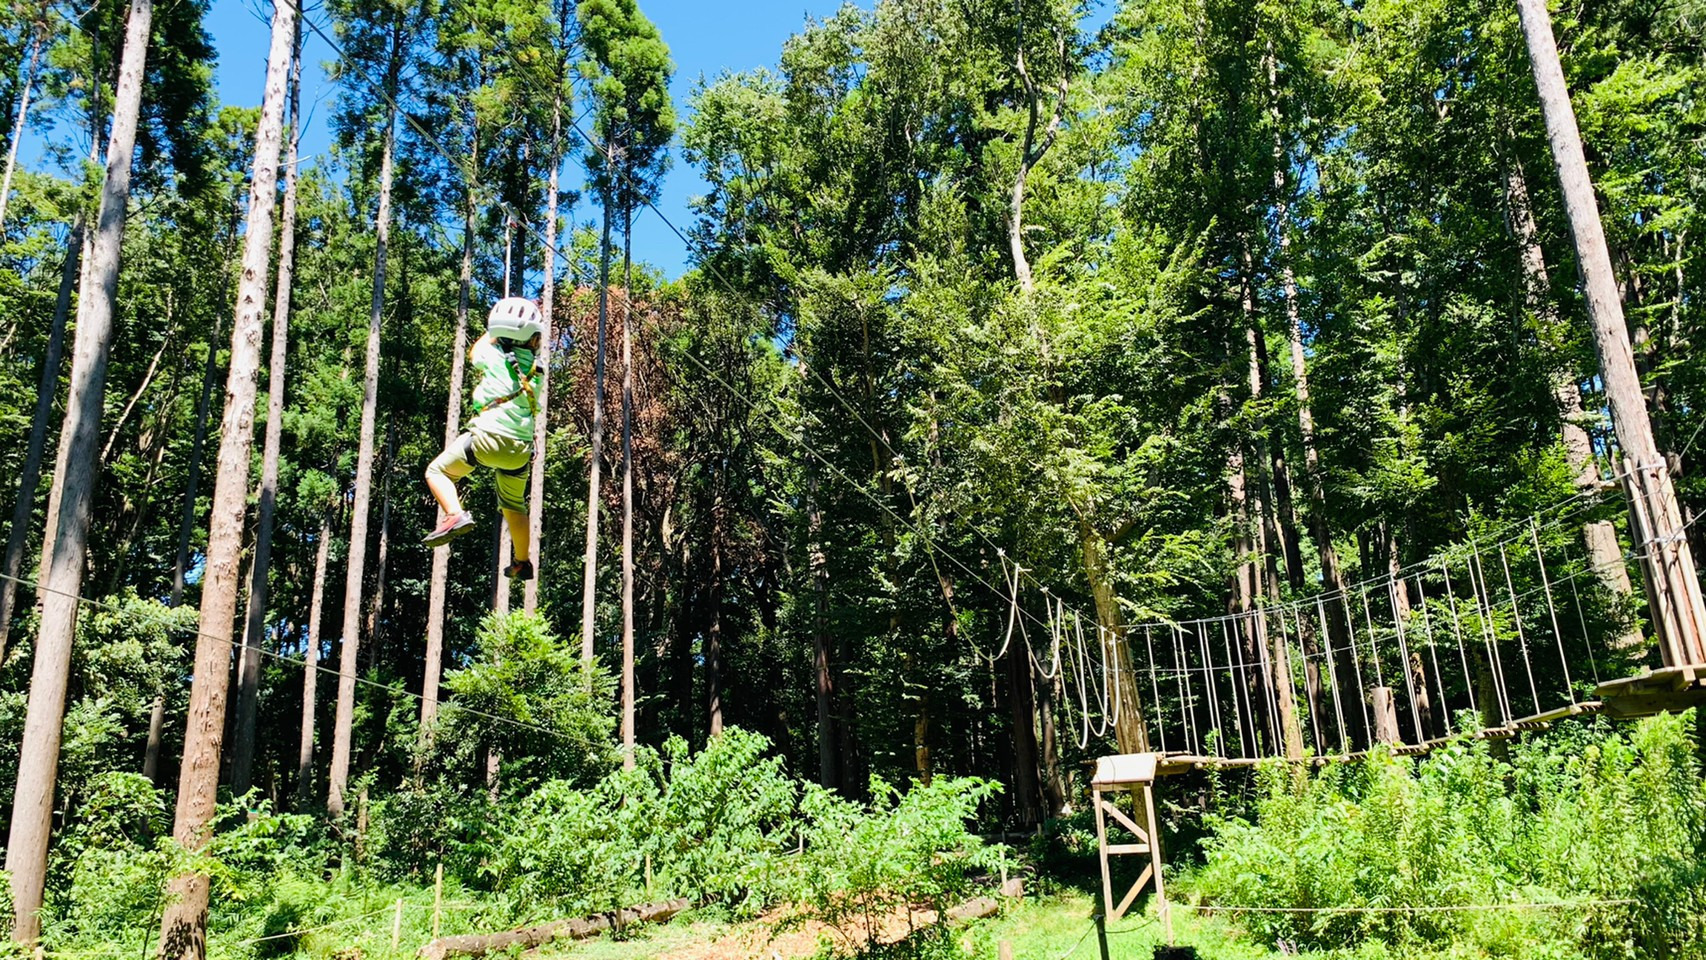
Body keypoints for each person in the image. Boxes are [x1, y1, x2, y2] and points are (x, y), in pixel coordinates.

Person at [423, 296, 543, 580]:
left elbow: (475, 351)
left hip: (487, 439)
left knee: (437, 471)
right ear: (532, 338)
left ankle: (455, 514)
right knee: (514, 505)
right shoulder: (538, 370)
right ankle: (522, 562)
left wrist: (493, 331)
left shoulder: (493, 355)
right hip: (519, 450)